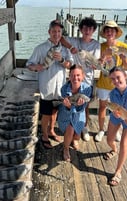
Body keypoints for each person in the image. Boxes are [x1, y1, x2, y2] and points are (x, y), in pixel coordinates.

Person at [26, 20, 73, 149]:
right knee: (46, 114)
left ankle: (52, 130)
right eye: (54, 31)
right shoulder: (40, 48)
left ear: (61, 33)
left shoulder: (64, 49)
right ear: (49, 32)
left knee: (55, 112)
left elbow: (70, 65)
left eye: (59, 31)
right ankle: (44, 135)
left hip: (60, 88)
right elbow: (29, 64)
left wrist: (62, 60)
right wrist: (37, 67)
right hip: (46, 87)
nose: (56, 34)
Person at [60, 17, 100, 142]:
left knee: (84, 105)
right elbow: (61, 39)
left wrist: (95, 64)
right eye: (85, 28)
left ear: (93, 30)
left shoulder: (96, 44)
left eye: (90, 28)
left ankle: (84, 127)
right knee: (70, 102)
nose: (87, 30)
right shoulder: (75, 40)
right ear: (81, 29)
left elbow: (96, 63)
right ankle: (70, 125)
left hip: (87, 79)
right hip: (74, 78)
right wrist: (71, 47)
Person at [95, 20, 127, 142]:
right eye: (107, 30)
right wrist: (104, 57)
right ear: (104, 33)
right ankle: (101, 129)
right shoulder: (101, 46)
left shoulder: (123, 47)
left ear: (116, 32)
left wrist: (124, 58)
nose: (109, 32)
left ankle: (115, 131)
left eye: (112, 30)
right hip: (103, 83)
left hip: (118, 85)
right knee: (102, 107)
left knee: (118, 109)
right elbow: (98, 65)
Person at [57, 64, 92, 162]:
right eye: (72, 75)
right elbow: (64, 106)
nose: (75, 78)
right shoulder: (64, 88)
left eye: (78, 75)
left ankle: (74, 139)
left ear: (83, 76)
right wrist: (68, 106)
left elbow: (83, 108)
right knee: (70, 129)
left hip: (79, 114)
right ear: (69, 76)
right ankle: (66, 148)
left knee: (76, 136)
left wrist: (79, 105)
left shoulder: (87, 89)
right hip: (66, 113)